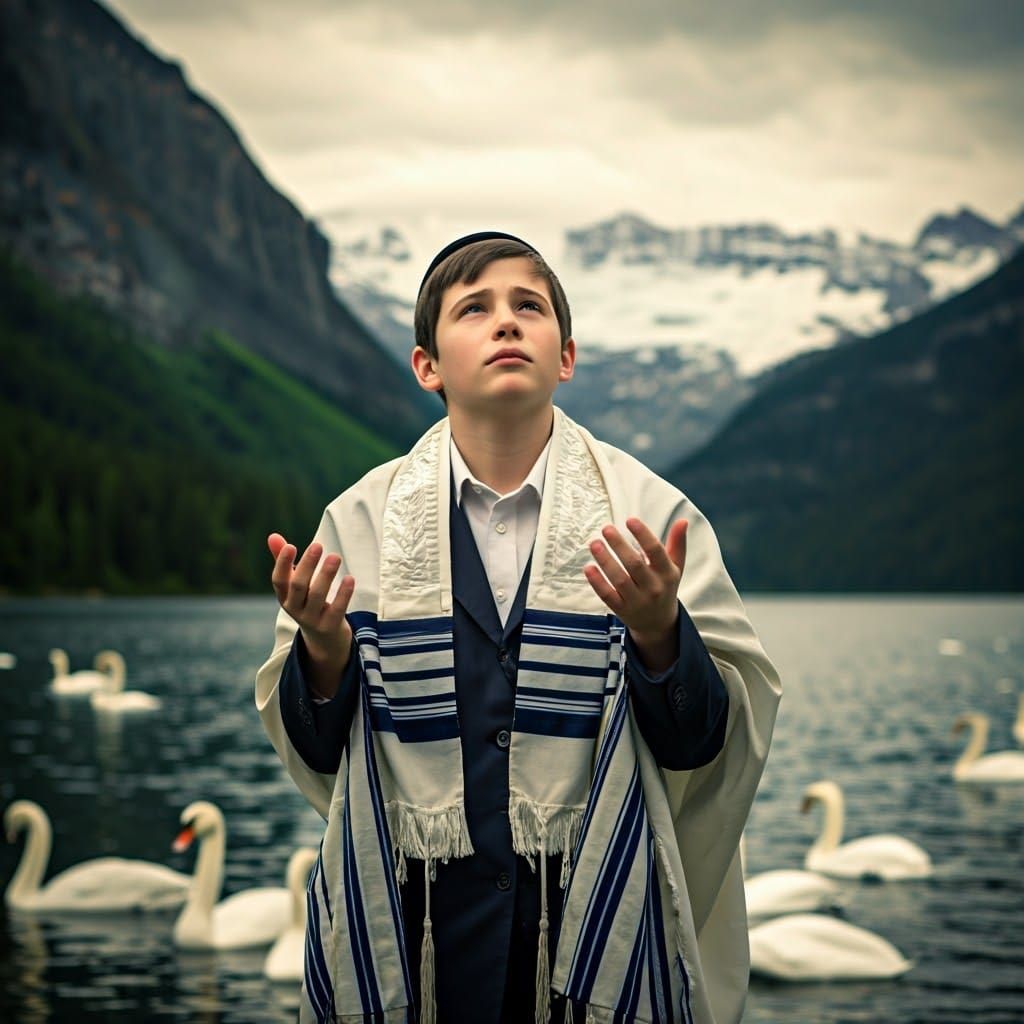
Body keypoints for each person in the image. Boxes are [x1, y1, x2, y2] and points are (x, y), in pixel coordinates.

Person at [255, 231, 781, 1024]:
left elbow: (706, 747)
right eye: (475, 309)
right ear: (427, 365)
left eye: (528, 307)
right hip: (427, 941)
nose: (506, 323)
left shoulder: (651, 515)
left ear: (565, 356)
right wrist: (324, 656)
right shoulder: (358, 522)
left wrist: (660, 637)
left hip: (597, 928)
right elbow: (320, 754)